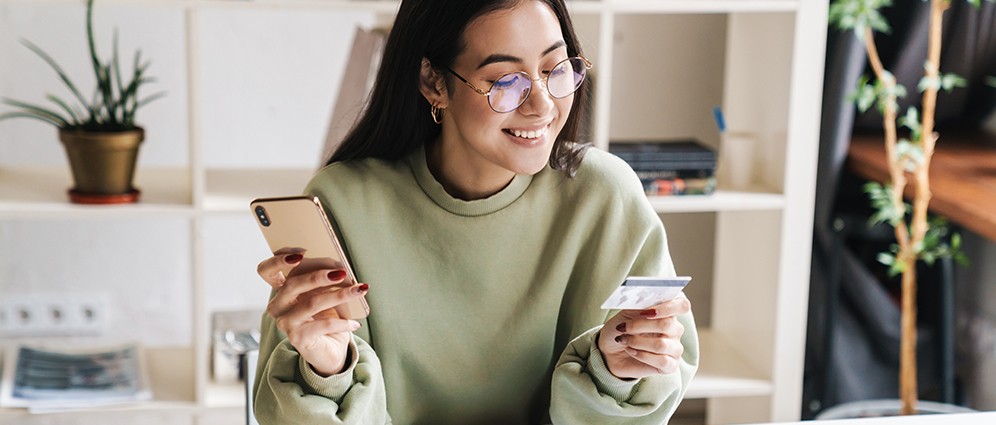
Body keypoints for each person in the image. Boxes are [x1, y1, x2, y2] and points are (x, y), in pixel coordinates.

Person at [252, 0, 699, 423]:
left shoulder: (606, 196)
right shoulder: (343, 202)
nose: (542, 105)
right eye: (506, 81)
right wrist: (329, 370)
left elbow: (651, 387)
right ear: (434, 82)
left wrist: (617, 369)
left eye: (555, 68)